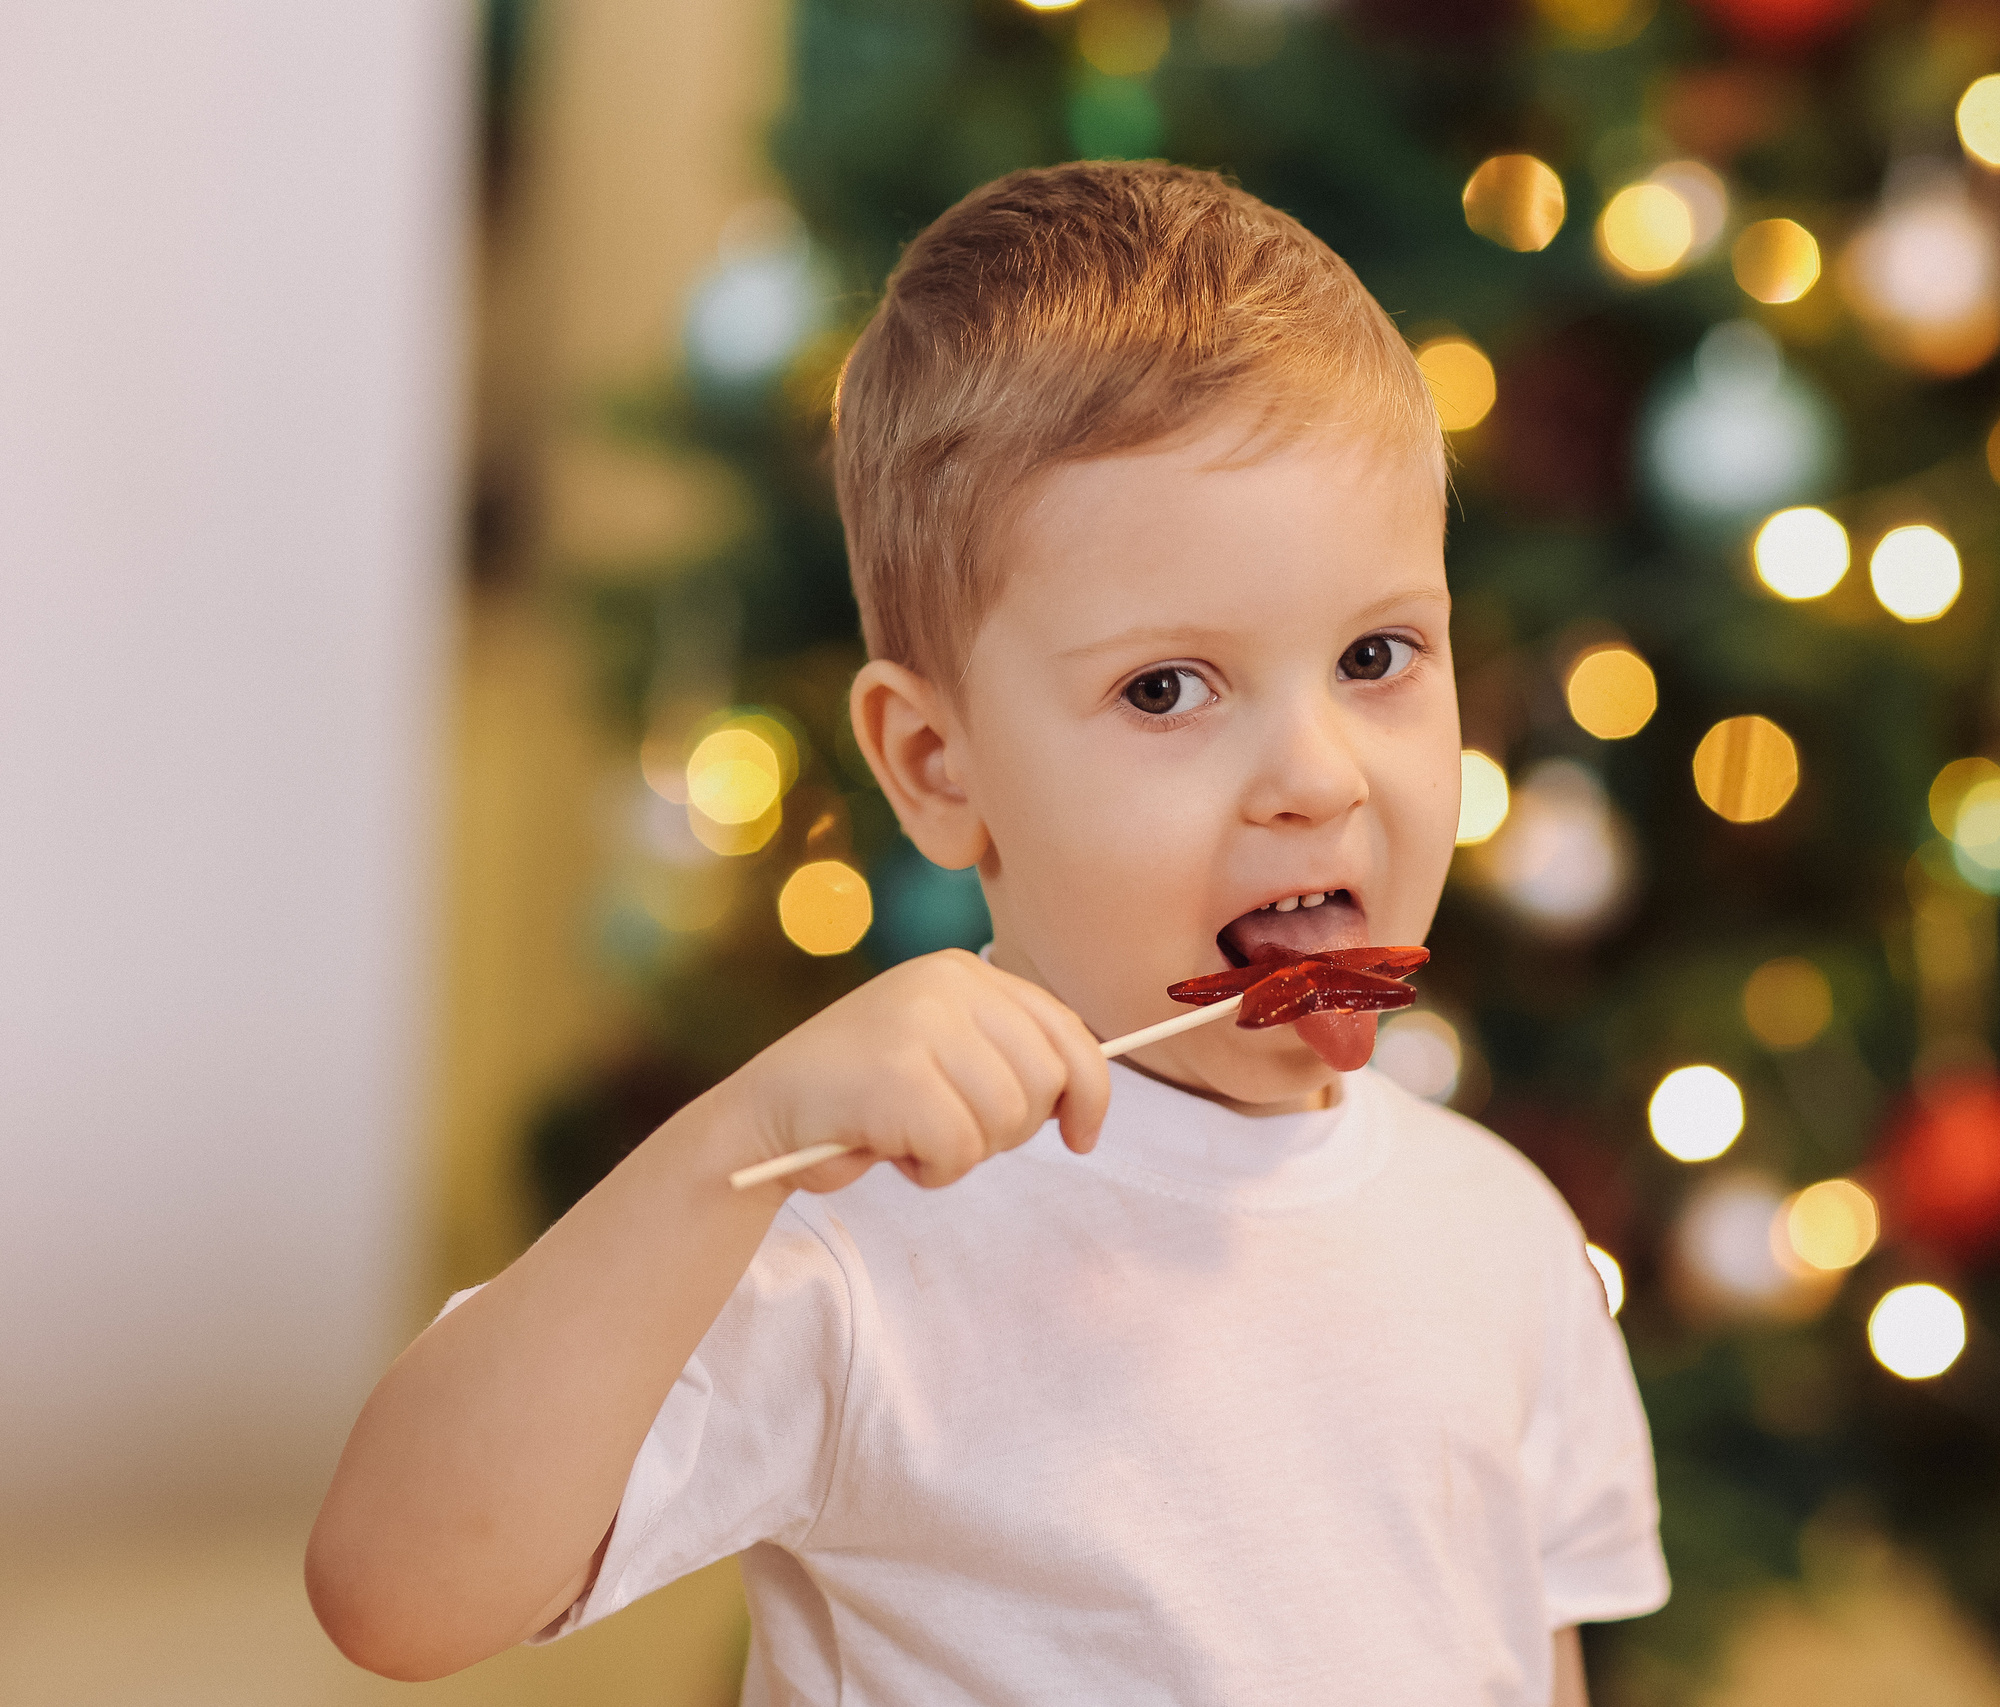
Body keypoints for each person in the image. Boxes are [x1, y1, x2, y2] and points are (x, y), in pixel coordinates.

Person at [307, 160, 1666, 1704]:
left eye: (1377, 654)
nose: (1318, 776)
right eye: (1168, 687)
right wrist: (729, 1146)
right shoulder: (860, 1242)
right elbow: (390, 1589)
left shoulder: (1503, 1241)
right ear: (938, 769)